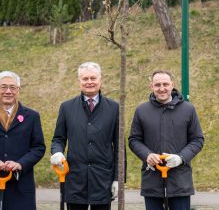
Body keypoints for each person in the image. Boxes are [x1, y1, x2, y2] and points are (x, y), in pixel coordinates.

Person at [128, 70, 204, 210]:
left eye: (165, 84)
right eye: (157, 85)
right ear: (151, 86)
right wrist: (147, 155)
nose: (161, 88)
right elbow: (134, 140)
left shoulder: (188, 109)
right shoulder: (142, 110)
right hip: (152, 179)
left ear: (172, 85)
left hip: (180, 181)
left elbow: (197, 139)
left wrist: (181, 158)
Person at [50, 62, 119, 210]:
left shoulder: (114, 108)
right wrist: (56, 151)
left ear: (100, 80)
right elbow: (58, 139)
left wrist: (118, 179)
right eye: (85, 79)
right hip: (75, 178)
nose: (89, 82)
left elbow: (119, 146)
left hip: (103, 179)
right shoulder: (67, 107)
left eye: (93, 78)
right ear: (79, 81)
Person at [0, 71, 46, 210]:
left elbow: (38, 147)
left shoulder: (31, 116)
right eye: (3, 87)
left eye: (13, 87)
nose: (8, 91)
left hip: (21, 186)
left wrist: (20, 163)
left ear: (18, 90)